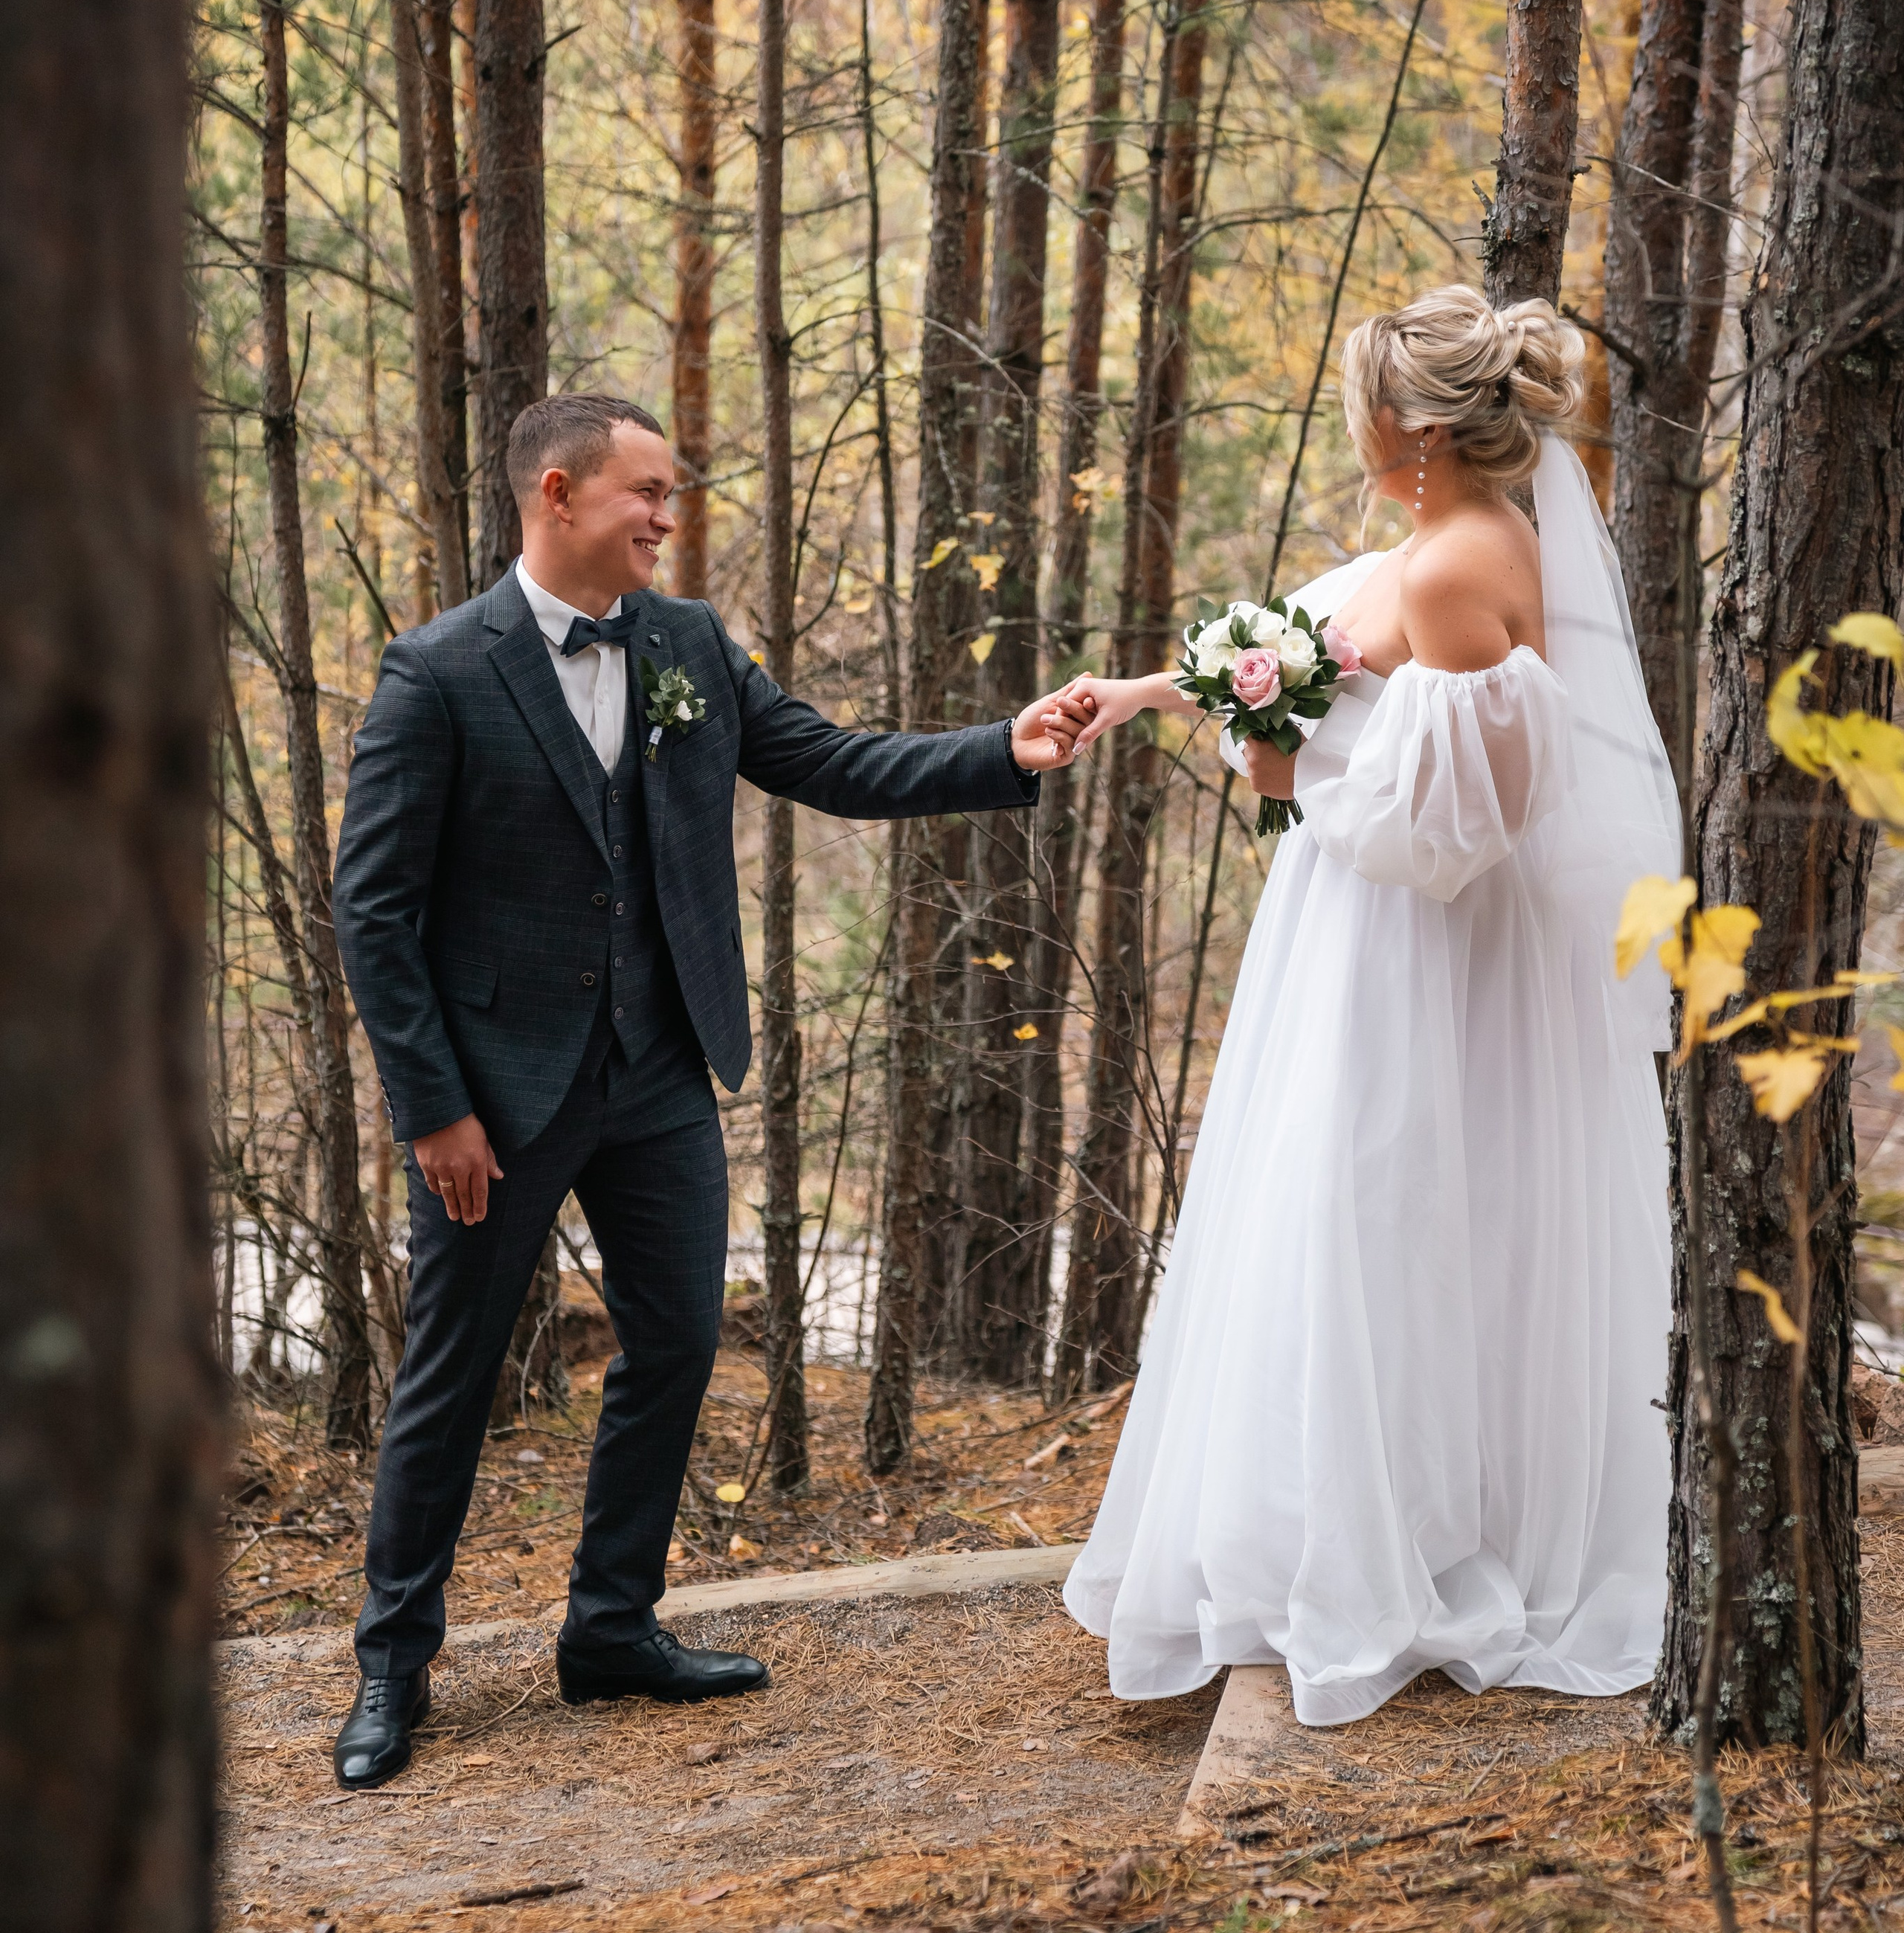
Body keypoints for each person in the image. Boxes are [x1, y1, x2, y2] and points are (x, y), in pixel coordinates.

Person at [330, 392, 1091, 1789]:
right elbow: (371, 913)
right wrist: (433, 1109)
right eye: (648, 495)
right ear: (557, 495)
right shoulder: (437, 672)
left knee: (678, 1344)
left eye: (671, 495)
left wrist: (1006, 748)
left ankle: (610, 1628)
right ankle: (394, 1665)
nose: (668, 521)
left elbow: (831, 763)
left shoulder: (686, 645)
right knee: (450, 1376)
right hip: (495, 1101)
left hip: (664, 1071)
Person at [1058, 289, 1683, 1724]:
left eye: (1359, 400)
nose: (1351, 420)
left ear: (1403, 425)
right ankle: (1334, 1533)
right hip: (1362, 932)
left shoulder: (1466, 567)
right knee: (1345, 1218)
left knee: (1388, 1215)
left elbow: (1471, 825)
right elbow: (1309, 657)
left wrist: (1291, 783)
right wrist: (1152, 692)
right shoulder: (1432, 545)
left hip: (1426, 955)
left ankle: (1413, 1552)